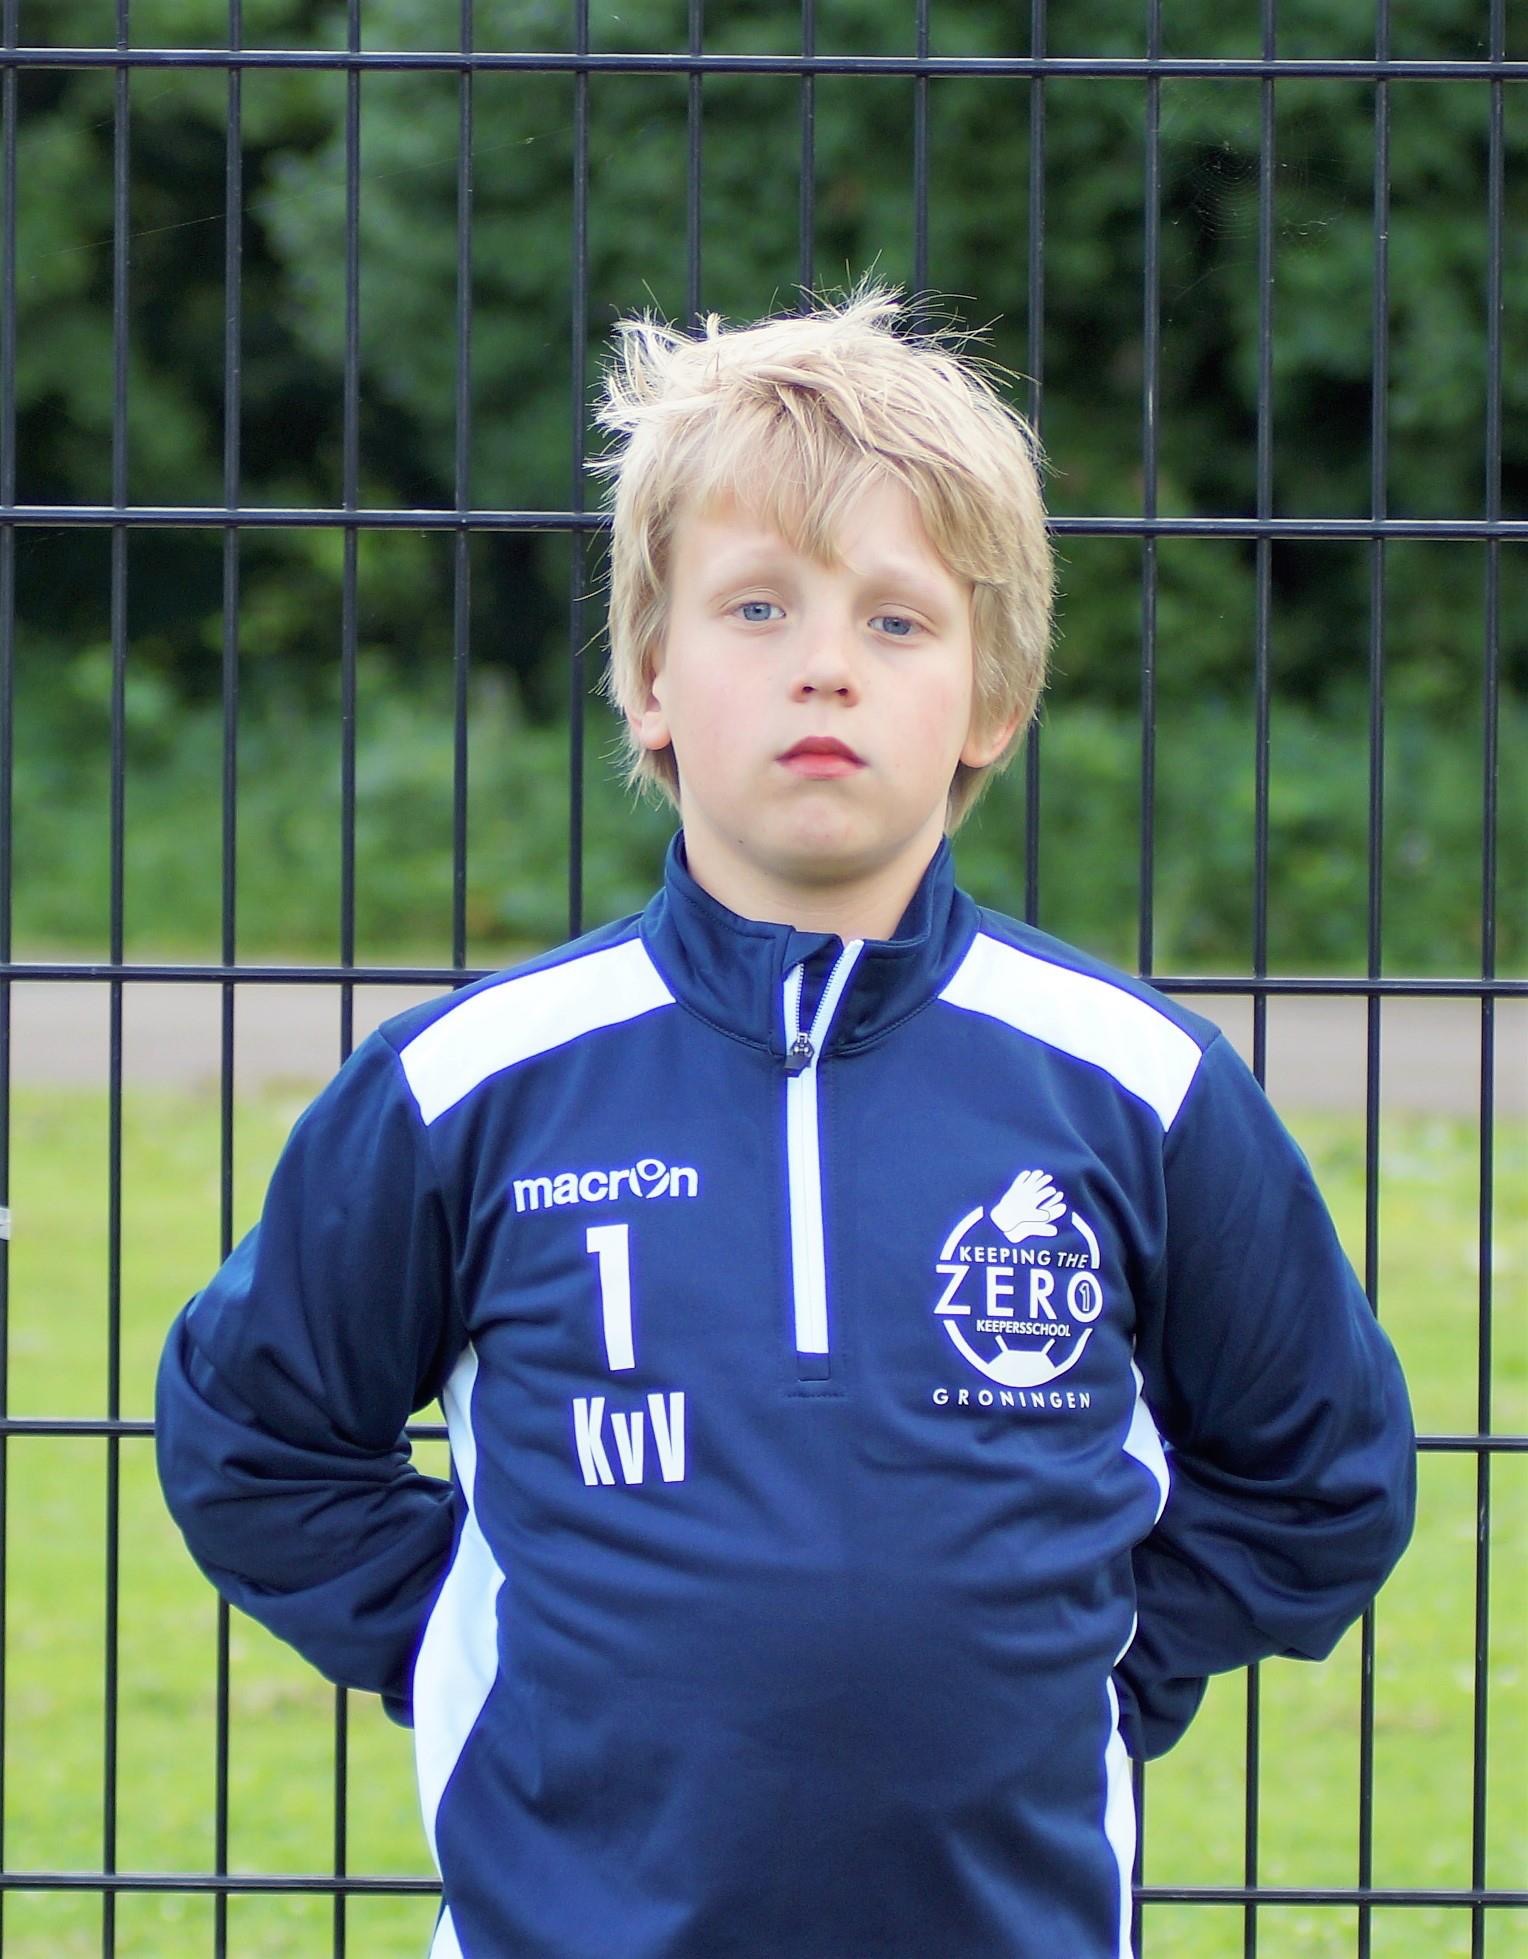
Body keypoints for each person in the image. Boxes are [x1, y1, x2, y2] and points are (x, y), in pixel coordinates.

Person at [155, 284, 1415, 1959]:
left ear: (991, 702)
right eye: (757, 607)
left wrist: (1102, 1668)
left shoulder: (1138, 1086)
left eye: (897, 622)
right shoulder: (472, 1086)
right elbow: (250, 1440)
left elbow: (1326, 1478)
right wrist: (489, 1651)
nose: (825, 664)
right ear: (651, 678)